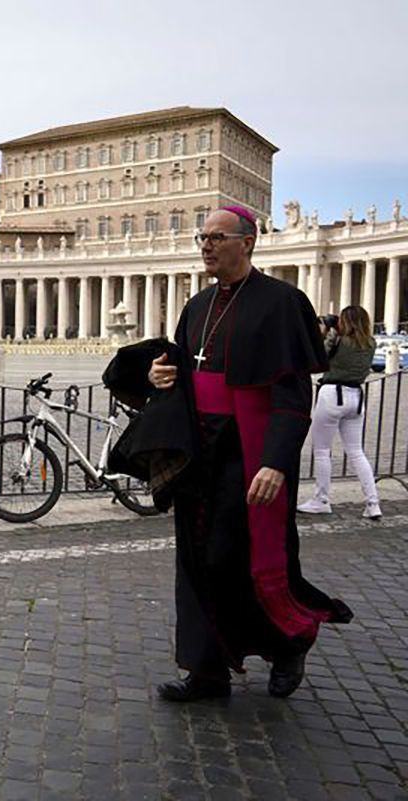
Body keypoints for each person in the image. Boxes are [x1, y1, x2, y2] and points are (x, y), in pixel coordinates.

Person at [148, 206, 351, 702]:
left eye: (218, 237)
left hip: (249, 451)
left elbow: (292, 393)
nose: (207, 245)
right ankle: (207, 671)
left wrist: (277, 462)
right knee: (195, 559)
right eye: (203, 237)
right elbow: (177, 369)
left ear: (249, 242)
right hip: (201, 450)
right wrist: (157, 377)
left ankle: (289, 644)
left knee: (240, 557)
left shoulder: (282, 303)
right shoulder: (196, 307)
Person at [298, 306, 381, 519]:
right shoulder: (371, 343)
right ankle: (373, 503)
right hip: (356, 397)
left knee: (322, 450)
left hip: (332, 394)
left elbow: (319, 358)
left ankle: (321, 499)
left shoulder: (338, 340)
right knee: (356, 451)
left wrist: (327, 331)